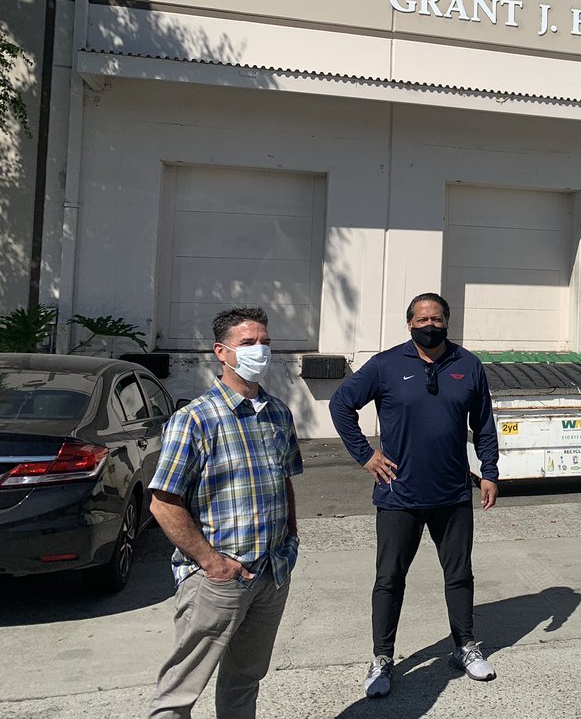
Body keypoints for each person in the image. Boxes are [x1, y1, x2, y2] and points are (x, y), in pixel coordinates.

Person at [329, 292, 500, 699]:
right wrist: (366, 455)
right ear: (409, 324)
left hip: (452, 493)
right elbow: (341, 404)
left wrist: (489, 472)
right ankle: (382, 658)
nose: (430, 325)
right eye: (422, 319)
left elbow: (485, 424)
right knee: (389, 579)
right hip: (397, 494)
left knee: (459, 575)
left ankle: (464, 646)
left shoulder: (468, 365)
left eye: (437, 319)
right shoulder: (386, 365)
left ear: (447, 323)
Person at [148, 307, 302, 719]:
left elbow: (284, 479)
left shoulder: (278, 414)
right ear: (222, 352)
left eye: (265, 342)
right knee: (180, 692)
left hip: (272, 571)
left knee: (244, 681)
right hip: (218, 579)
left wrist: (290, 541)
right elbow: (163, 503)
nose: (260, 351)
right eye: (248, 343)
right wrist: (212, 563)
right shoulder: (194, 419)